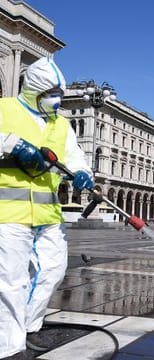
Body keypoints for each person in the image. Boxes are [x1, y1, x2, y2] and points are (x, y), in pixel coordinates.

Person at [0, 57, 93, 358]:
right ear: (34, 91)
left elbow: (75, 156)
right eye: (51, 94)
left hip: (48, 213)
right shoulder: (5, 110)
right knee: (11, 280)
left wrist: (83, 174)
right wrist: (12, 145)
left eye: (59, 95)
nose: (57, 101)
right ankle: (8, 346)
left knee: (53, 270)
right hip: (9, 213)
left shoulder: (61, 124)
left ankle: (28, 325)